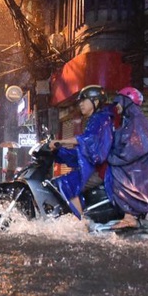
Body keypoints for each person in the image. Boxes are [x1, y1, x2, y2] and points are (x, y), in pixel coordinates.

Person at [104, 86, 148, 229]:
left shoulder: (136, 121)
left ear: (126, 102)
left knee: (116, 177)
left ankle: (129, 216)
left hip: (139, 170)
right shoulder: (131, 120)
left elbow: (134, 149)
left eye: (118, 102)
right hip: (141, 167)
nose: (116, 106)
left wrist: (112, 157)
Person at [49, 85, 114, 218]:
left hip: (100, 170)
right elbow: (83, 151)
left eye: (84, 100)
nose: (81, 104)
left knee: (65, 183)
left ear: (95, 102)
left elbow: (87, 140)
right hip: (96, 168)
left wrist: (61, 142)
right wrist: (59, 152)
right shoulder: (96, 119)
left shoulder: (100, 119)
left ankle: (79, 223)